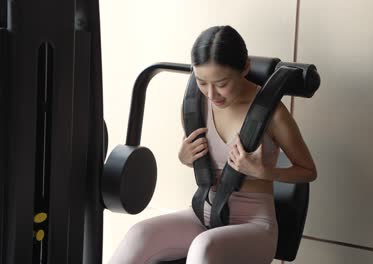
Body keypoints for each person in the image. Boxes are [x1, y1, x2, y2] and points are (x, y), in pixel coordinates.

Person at [108, 25, 317, 264]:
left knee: (203, 247)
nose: (211, 93)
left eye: (221, 83)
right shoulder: (194, 105)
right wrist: (185, 157)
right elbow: (202, 159)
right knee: (140, 234)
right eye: (202, 82)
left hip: (254, 227)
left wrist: (263, 172)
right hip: (202, 215)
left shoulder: (274, 115)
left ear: (245, 67)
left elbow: (308, 171)